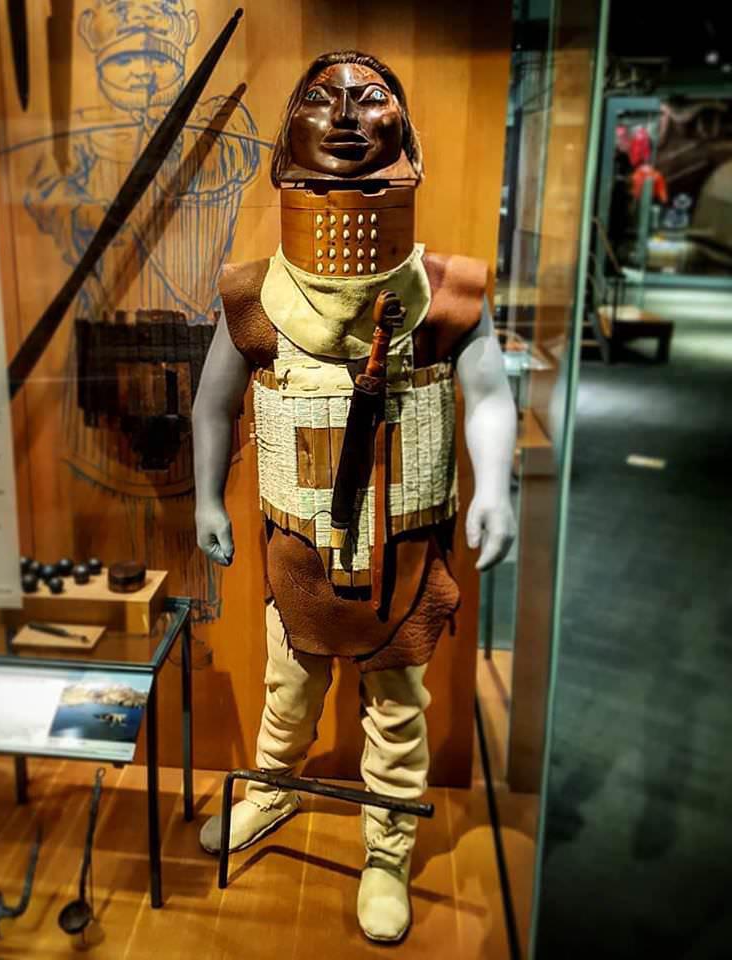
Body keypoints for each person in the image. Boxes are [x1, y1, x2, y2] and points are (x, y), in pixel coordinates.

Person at [192, 50, 517, 943]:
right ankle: (272, 789)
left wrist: (495, 488)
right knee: (288, 681)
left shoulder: (444, 294)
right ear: (285, 141)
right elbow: (213, 403)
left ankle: (387, 846)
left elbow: (489, 395)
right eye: (320, 99)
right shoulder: (253, 295)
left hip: (404, 552)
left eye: (369, 99)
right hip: (296, 546)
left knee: (397, 703)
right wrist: (207, 500)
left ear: (403, 135)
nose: (343, 117)